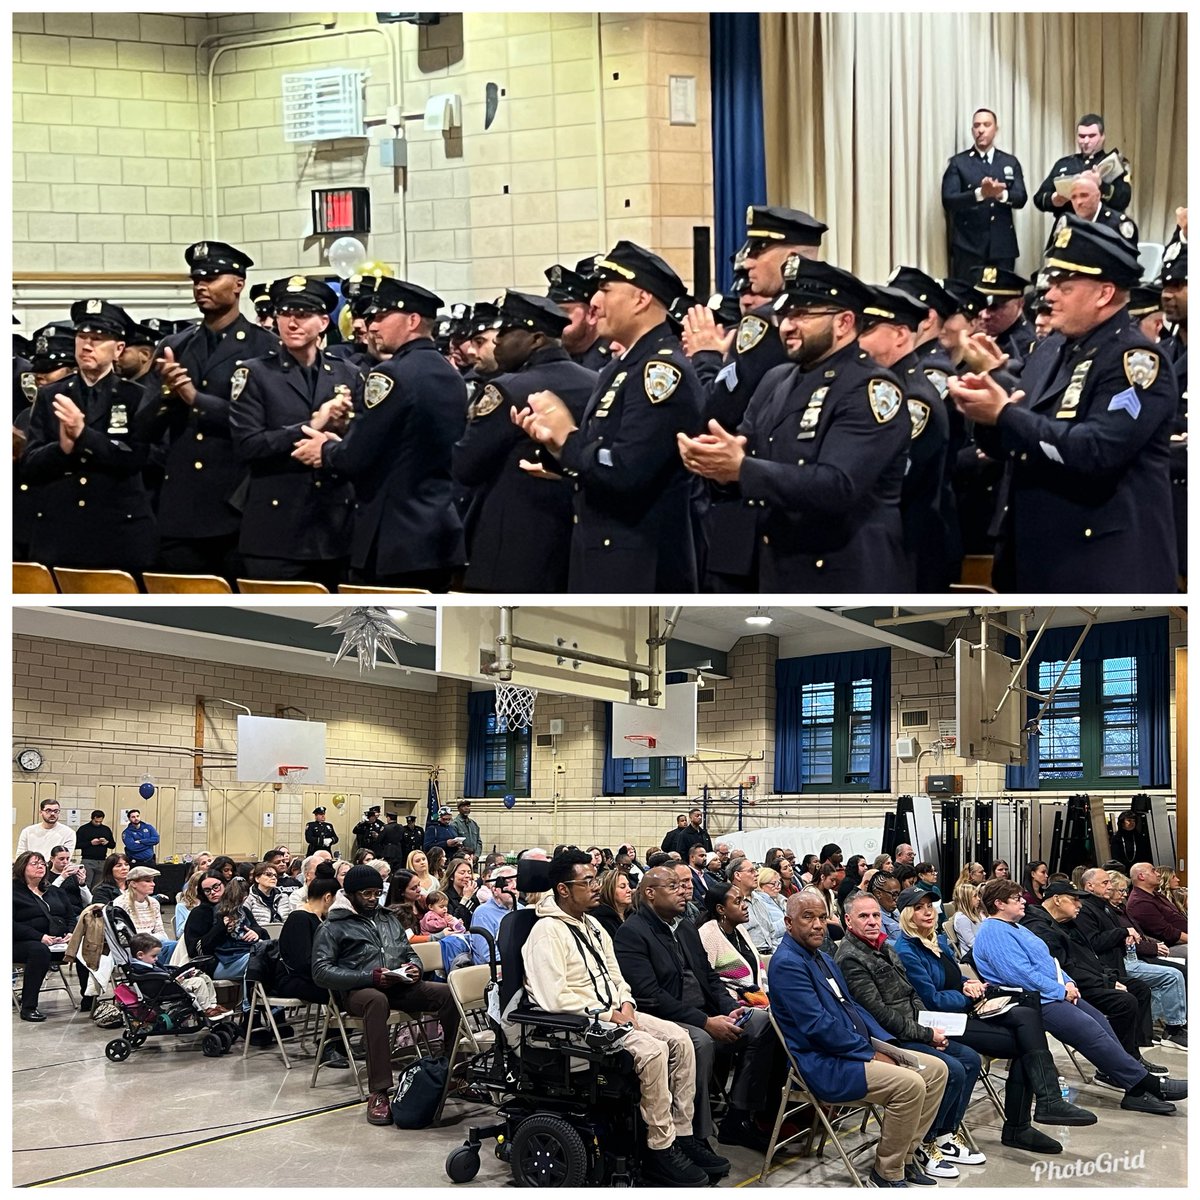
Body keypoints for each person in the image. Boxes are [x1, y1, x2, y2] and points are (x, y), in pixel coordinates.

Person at [947, 218, 1178, 592]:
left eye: (1064, 286)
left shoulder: (1134, 360)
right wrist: (985, 414)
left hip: (1100, 565)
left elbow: (1097, 450)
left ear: (1104, 294)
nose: (1049, 295)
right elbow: (1017, 444)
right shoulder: (1051, 349)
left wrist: (1004, 413)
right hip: (1036, 555)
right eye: (1051, 283)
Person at [679, 256, 911, 591]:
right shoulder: (776, 379)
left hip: (843, 574)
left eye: (802, 314)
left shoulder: (870, 388)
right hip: (778, 565)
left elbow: (839, 485)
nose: (786, 326)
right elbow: (749, 453)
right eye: (785, 314)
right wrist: (715, 463)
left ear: (844, 323)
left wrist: (742, 468)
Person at [513, 240, 704, 593]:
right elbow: (599, 451)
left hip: (640, 563)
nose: (595, 302)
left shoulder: (659, 371)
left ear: (641, 298)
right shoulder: (621, 367)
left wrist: (567, 437)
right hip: (606, 553)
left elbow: (627, 470)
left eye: (604, 289)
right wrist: (553, 445)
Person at [520, 850, 713, 1185]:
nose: (597, 886)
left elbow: (616, 975)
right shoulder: (545, 932)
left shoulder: (593, 924)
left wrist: (625, 1003)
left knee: (682, 1040)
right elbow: (553, 997)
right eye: (588, 881)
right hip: (576, 1026)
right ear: (564, 889)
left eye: (596, 879)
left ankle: (683, 1137)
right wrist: (609, 1013)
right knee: (654, 1051)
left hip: (614, 1012)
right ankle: (660, 1148)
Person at [290, 276, 466, 590]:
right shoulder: (448, 371)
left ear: (412, 321)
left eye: (382, 317)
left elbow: (359, 455)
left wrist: (327, 449)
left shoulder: (390, 374)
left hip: (392, 536)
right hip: (436, 529)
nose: (372, 326)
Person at [686, 205, 828, 589]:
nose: (747, 262)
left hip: (748, 507)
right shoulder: (817, 322)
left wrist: (705, 357)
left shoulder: (765, 324)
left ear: (792, 259)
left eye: (759, 251)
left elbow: (717, 413)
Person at [893, 887, 1097, 1153]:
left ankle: (1038, 1110)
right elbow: (930, 999)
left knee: (1026, 1019)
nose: (927, 912)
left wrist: (969, 983)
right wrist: (968, 996)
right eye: (918, 908)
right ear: (907, 915)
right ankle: (1026, 1120)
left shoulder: (937, 940)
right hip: (938, 1021)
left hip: (961, 1011)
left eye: (929, 906)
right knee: (1026, 1035)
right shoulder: (907, 949)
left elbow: (954, 979)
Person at [770, 889, 950, 1188]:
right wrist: (867, 1052)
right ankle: (886, 1172)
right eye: (807, 918)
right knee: (909, 1084)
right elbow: (818, 1027)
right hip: (825, 1061)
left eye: (820, 917)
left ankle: (905, 1156)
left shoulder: (822, 957)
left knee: (936, 1070)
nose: (817, 925)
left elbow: (852, 1007)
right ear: (789, 923)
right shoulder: (788, 964)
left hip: (849, 1048)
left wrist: (885, 1043)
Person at [970, 879, 1184, 1115]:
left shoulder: (1016, 927)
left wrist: (1068, 982)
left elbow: (1048, 962)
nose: (1024, 901)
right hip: (1031, 1000)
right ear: (999, 903)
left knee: (1101, 1024)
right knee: (1089, 1030)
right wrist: (1061, 990)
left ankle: (1134, 1087)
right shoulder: (993, 932)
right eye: (1016, 899)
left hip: (1049, 992)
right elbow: (1020, 975)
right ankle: (1148, 1084)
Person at [614, 865, 778, 1161]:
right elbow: (650, 997)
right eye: (673, 886)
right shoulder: (632, 933)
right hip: (669, 1019)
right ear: (650, 894)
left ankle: (739, 1117)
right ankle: (696, 1134)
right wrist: (705, 1022)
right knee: (699, 1042)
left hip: (709, 1012)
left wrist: (731, 1010)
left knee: (764, 1023)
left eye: (683, 885)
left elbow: (710, 978)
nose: (683, 891)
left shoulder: (685, 927)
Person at [134, 241, 277, 578]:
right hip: (181, 504)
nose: (201, 287)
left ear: (238, 284)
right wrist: (168, 394)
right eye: (197, 279)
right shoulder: (176, 345)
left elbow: (260, 425)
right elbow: (142, 429)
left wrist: (193, 396)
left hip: (235, 502)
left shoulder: (265, 347)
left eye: (212, 278)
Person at [452, 290, 597, 592]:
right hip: (574, 541)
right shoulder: (595, 382)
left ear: (536, 338)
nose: (497, 341)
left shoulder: (508, 389)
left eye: (507, 332)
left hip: (510, 549)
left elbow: (466, 466)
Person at [835, 892, 984, 1177]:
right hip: (891, 1037)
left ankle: (943, 1135)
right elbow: (879, 1014)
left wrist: (929, 1027)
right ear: (848, 920)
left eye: (876, 915)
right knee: (952, 1068)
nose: (872, 922)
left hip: (914, 1026)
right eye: (863, 916)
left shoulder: (885, 947)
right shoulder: (851, 958)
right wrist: (926, 1035)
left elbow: (912, 994)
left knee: (969, 1059)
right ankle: (923, 1144)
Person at [228, 275, 361, 588]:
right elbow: (247, 444)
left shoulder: (347, 373)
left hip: (333, 526)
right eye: (285, 313)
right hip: (275, 527)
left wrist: (338, 434)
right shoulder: (255, 373)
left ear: (323, 321)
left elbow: (362, 442)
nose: (292, 322)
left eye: (303, 314)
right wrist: (312, 426)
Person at [312, 864, 461, 1124]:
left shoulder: (388, 918)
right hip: (359, 991)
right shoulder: (333, 926)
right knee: (376, 1000)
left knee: (448, 993)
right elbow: (321, 972)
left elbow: (408, 951)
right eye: (366, 894)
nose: (372, 898)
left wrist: (415, 966)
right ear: (351, 893)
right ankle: (379, 1091)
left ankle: (454, 1073)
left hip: (397, 984)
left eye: (376, 893)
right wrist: (369, 977)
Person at [22, 299, 159, 575]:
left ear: (118, 349)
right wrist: (62, 450)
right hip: (60, 532)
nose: (87, 346)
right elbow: (30, 465)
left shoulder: (137, 396)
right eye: (82, 337)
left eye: (97, 339)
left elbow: (139, 457)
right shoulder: (52, 395)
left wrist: (85, 436)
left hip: (117, 533)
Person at [857, 285, 957, 589]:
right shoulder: (883, 386)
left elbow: (894, 479)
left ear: (900, 335)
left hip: (907, 550)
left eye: (868, 329)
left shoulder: (914, 399)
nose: (857, 339)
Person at [1075, 868, 1187, 1047]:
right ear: (1089, 885)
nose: (1110, 887)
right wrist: (1124, 934)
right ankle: (1171, 1029)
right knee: (1172, 975)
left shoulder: (1107, 907)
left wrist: (1128, 937)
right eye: (1106, 883)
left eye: (1111, 883)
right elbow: (1094, 942)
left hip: (1126, 956)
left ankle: (1143, 1036)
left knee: (1154, 983)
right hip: (1109, 966)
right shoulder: (1086, 909)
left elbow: (1134, 933)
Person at [941, 108, 1028, 278]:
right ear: (972, 130)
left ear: (996, 129)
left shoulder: (1009, 161)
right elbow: (949, 200)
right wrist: (980, 193)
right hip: (968, 247)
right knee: (968, 300)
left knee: (1002, 302)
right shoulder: (959, 162)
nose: (981, 129)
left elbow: (1021, 198)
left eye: (986, 125)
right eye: (976, 125)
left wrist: (1000, 194)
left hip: (1002, 247)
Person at [13, 851, 74, 1021]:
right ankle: (28, 1007)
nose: (40, 867)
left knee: (85, 946)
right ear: (22, 867)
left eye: (42, 864)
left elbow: (71, 916)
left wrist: (70, 933)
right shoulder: (12, 892)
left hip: (59, 942)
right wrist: (39, 936)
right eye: (34, 863)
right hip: (21, 942)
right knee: (39, 951)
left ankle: (89, 1001)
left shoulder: (54, 891)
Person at [1034, 112, 1132, 218]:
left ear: (1103, 137)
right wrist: (1054, 199)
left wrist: (1101, 185)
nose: (1086, 141)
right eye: (1082, 136)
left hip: (1102, 229)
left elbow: (1123, 200)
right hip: (1069, 228)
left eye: (1091, 136)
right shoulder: (1064, 164)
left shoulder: (1115, 163)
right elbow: (1039, 199)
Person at [128, 933, 231, 1018]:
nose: (156, 959)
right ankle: (206, 1009)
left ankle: (213, 1005)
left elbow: (165, 970)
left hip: (169, 982)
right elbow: (158, 979)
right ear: (140, 955)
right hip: (164, 988)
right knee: (198, 982)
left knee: (204, 977)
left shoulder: (151, 963)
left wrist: (181, 973)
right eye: (154, 956)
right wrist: (176, 978)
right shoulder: (140, 969)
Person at [696, 883, 767, 1005]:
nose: (745, 906)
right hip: (730, 1006)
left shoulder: (740, 929)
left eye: (743, 901)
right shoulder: (708, 935)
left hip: (758, 1000)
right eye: (738, 902)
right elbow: (706, 980)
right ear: (721, 909)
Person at [545, 258, 615, 371]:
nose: (555, 319)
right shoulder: (551, 356)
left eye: (564, 312)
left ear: (592, 314)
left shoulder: (614, 354)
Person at [1044, 175, 1138, 251]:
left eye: (1084, 195)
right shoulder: (1067, 224)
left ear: (1098, 196)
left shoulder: (1118, 225)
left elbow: (1125, 267)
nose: (1078, 202)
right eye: (1073, 197)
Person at [115, 865, 176, 963]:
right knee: (172, 946)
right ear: (134, 883)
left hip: (154, 943)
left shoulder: (154, 903)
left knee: (175, 947)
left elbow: (160, 930)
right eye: (148, 881)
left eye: (152, 881)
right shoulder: (121, 903)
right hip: (135, 948)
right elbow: (124, 935)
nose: (153, 884)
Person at [1125, 861, 1187, 949]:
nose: (1158, 874)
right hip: (1171, 946)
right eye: (1153, 871)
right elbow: (1167, 933)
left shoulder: (1155, 894)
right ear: (1141, 876)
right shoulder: (1139, 903)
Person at [593, 867, 635, 939]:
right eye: (622, 887)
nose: (629, 890)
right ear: (609, 891)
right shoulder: (600, 919)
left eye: (628, 885)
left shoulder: (633, 914)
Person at [78, 810, 115, 889]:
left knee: (98, 885)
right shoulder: (84, 829)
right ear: (92, 819)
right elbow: (76, 845)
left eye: (100, 822)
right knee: (87, 882)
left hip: (102, 860)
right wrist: (90, 843)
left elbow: (113, 845)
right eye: (96, 821)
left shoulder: (106, 829)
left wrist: (106, 842)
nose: (98, 823)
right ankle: (86, 901)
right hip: (88, 860)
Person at [243, 861, 284, 925]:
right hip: (258, 933)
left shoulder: (283, 897)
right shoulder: (248, 898)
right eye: (268, 874)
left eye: (275, 875)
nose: (273, 878)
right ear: (257, 878)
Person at [951, 880, 984, 957]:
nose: (979, 899)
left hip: (981, 952)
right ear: (966, 899)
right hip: (974, 956)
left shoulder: (974, 914)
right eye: (975, 896)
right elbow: (972, 943)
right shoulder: (961, 918)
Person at [869, 871, 904, 941]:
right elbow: (883, 945)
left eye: (899, 894)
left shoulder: (896, 911)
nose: (897, 899)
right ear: (878, 893)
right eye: (894, 894)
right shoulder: (873, 917)